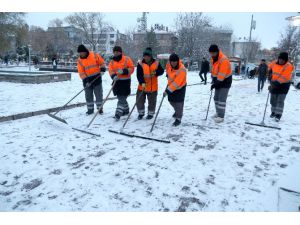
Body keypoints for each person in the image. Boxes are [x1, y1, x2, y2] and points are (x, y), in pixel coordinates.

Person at [77, 44, 106, 115]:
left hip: (97, 78)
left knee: (98, 94)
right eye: (80, 53)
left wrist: (102, 69)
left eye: (82, 52)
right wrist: (86, 81)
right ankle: (90, 109)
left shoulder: (94, 55)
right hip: (87, 80)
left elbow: (102, 63)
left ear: (85, 51)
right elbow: (81, 72)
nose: (81, 54)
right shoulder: (79, 60)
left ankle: (100, 108)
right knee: (88, 95)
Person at [136, 47, 164, 120]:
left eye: (147, 56)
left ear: (151, 56)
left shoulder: (156, 63)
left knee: (152, 102)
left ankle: (150, 114)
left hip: (153, 87)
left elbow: (161, 71)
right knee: (140, 101)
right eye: (145, 56)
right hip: (142, 86)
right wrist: (142, 82)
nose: (146, 57)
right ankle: (141, 113)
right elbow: (139, 74)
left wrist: (155, 73)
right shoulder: (140, 64)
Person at [109, 46, 135, 121]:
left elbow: (132, 68)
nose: (116, 53)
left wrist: (124, 71)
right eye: (114, 52)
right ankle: (126, 110)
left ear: (121, 52)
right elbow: (110, 71)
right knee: (120, 97)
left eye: (117, 52)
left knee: (122, 97)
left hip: (125, 82)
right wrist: (113, 76)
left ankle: (118, 113)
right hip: (116, 82)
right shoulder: (112, 61)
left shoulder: (127, 59)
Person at [209, 44, 232, 123]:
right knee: (216, 98)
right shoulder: (214, 59)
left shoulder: (223, 59)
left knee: (221, 99)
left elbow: (222, 74)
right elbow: (215, 71)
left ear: (217, 52)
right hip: (218, 80)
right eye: (210, 53)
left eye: (213, 53)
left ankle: (221, 116)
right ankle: (218, 112)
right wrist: (213, 80)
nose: (211, 55)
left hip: (225, 81)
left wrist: (216, 83)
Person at [268, 52, 294, 122]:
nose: (281, 61)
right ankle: (273, 112)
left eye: (283, 60)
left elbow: (284, 78)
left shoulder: (288, 66)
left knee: (280, 100)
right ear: (278, 58)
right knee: (273, 100)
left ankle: (278, 115)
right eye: (280, 59)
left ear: (286, 60)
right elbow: (269, 66)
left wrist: (273, 84)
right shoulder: (274, 63)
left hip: (284, 85)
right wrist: (269, 72)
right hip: (274, 83)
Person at [164, 53, 187, 126]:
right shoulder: (169, 65)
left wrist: (167, 90)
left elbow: (176, 83)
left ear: (178, 61)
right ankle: (177, 111)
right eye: (172, 61)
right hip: (171, 85)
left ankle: (178, 118)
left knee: (178, 103)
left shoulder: (182, 69)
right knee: (171, 100)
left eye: (175, 61)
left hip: (180, 88)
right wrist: (167, 74)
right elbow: (168, 70)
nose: (173, 63)